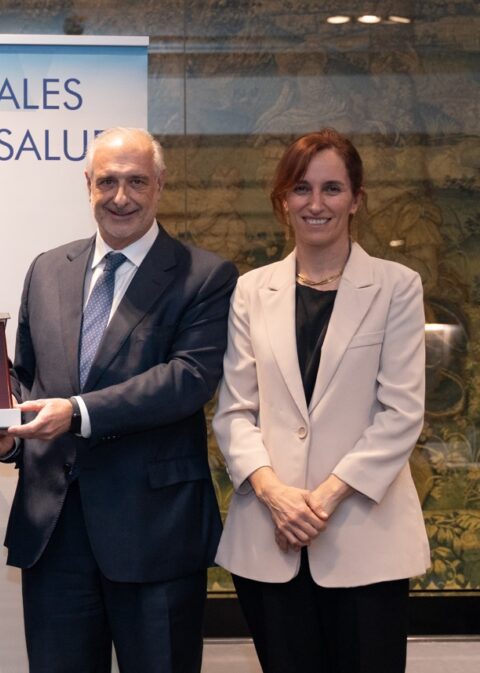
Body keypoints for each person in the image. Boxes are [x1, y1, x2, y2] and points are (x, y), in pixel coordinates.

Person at [0, 127, 237, 673]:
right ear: (87, 184)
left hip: (154, 533)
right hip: (54, 531)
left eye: (136, 181)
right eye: (108, 182)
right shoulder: (48, 268)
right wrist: (8, 436)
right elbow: (28, 378)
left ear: (160, 184)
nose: (121, 197)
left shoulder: (204, 276)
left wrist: (76, 413)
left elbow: (187, 379)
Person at [213, 128, 430, 673]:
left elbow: (401, 413)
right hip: (271, 536)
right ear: (283, 200)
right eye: (301, 188)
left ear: (356, 199)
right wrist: (277, 497)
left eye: (332, 188)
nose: (316, 203)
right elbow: (235, 412)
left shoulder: (397, 286)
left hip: (366, 539)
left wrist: (323, 500)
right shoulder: (250, 290)